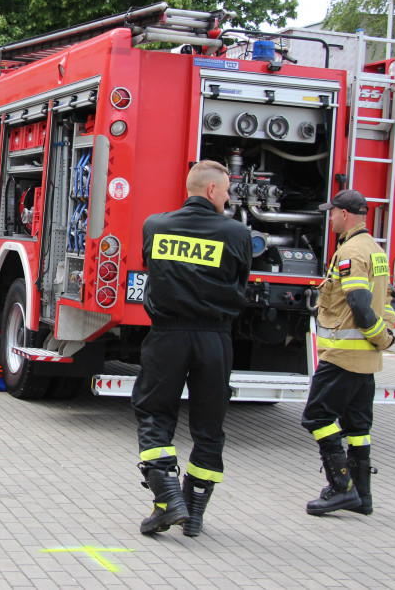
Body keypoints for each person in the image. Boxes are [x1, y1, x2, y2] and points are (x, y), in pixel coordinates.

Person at [131, 160, 252, 537]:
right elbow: (240, 282)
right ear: (212, 191)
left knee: (154, 415)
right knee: (209, 425)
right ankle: (194, 511)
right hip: (215, 338)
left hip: (167, 335)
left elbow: (151, 269)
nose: (229, 197)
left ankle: (168, 500)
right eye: (228, 190)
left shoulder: (156, 226)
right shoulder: (238, 234)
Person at [301, 188, 395, 517]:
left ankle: (341, 488)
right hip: (364, 359)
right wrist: (379, 341)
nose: (330, 217)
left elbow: (357, 303)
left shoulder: (351, 252)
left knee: (316, 417)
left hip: (343, 354)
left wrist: (379, 337)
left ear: (346, 214)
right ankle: (362, 497)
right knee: (357, 426)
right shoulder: (375, 249)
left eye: (333, 212)